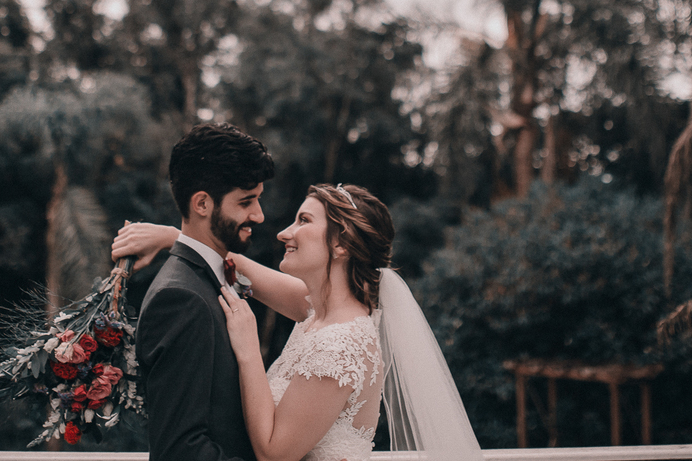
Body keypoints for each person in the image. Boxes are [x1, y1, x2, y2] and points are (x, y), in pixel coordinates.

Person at [113, 182, 482, 461]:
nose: (283, 233)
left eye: (303, 221)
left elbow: (273, 453)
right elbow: (235, 266)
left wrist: (248, 350)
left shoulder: (341, 344)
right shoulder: (318, 312)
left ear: (342, 245)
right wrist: (173, 236)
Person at [134, 122, 276, 461]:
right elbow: (180, 450)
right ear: (202, 204)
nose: (259, 215)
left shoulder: (208, 280)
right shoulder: (181, 299)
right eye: (246, 202)